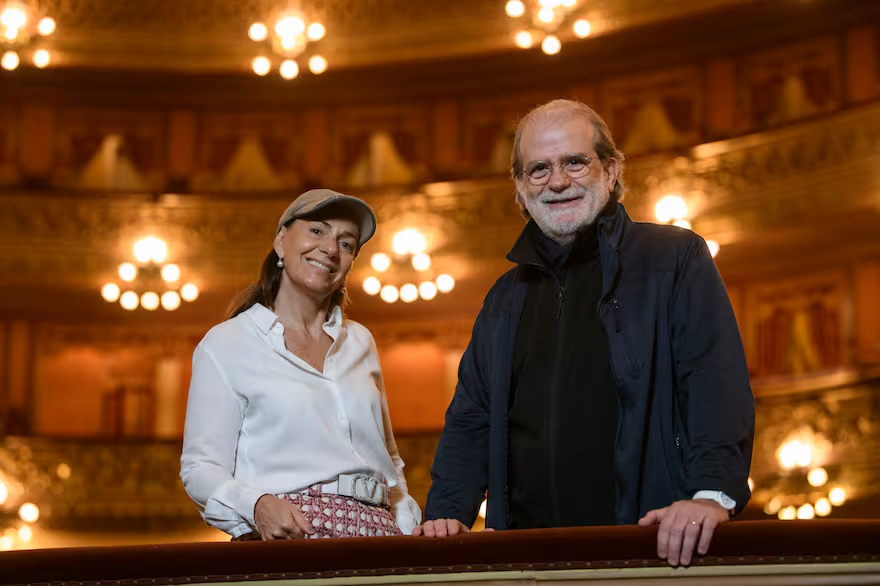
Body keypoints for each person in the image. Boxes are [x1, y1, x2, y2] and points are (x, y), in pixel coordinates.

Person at [414, 99, 754, 567]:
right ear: (519, 187)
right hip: (527, 561)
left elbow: (713, 381)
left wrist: (711, 494)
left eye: (575, 162)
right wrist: (447, 512)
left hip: (648, 547)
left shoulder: (674, 258)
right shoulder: (503, 298)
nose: (557, 181)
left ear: (611, 170)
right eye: (538, 169)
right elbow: (472, 416)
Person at [180, 189, 422, 540]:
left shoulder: (360, 342)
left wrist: (407, 527)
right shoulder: (226, 344)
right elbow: (200, 468)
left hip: (380, 536)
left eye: (346, 243)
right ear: (281, 241)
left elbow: (389, 462)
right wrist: (257, 504)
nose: (330, 249)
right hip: (290, 535)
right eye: (317, 231)